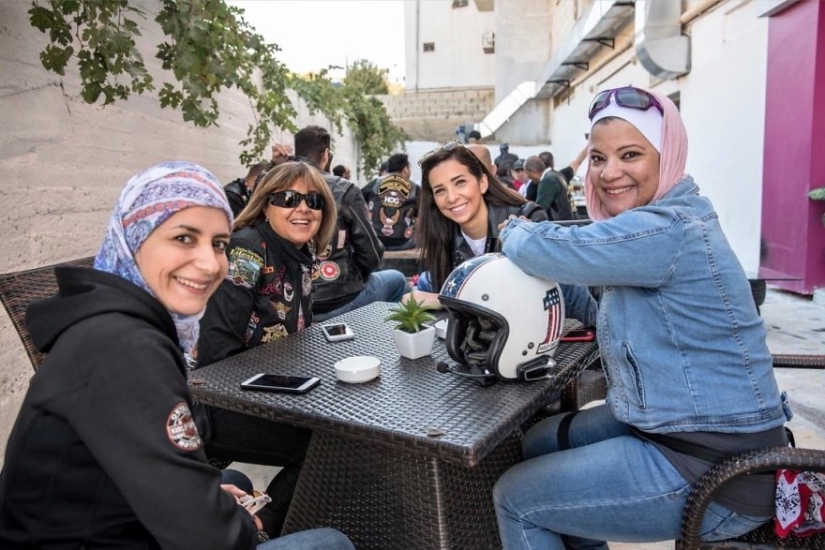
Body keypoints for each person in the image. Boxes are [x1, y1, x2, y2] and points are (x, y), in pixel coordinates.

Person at [0, 161, 354, 550]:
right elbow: (210, 537)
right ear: (134, 237)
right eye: (184, 238)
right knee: (333, 539)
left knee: (232, 483)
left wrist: (221, 505)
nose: (210, 263)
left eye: (219, 243)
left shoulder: (114, 327)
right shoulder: (128, 350)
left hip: (108, 515)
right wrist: (245, 527)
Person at [493, 87, 791, 548]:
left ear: (666, 155)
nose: (610, 173)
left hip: (713, 467)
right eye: (597, 158)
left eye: (630, 154)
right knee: (537, 441)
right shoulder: (663, 221)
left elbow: (546, 248)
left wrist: (510, 226)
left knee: (515, 496)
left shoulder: (666, 229)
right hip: (670, 424)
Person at [197, 161, 337, 536]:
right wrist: (287, 391)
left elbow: (293, 331)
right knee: (326, 442)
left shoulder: (298, 255)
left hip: (269, 390)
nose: (303, 208)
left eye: (313, 200)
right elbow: (216, 353)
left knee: (345, 423)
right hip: (217, 403)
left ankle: (306, 516)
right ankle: (264, 527)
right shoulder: (246, 252)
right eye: (288, 198)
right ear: (265, 205)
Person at [289, 125, 405, 322]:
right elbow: (371, 253)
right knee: (397, 279)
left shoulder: (274, 184)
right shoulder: (342, 190)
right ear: (326, 155)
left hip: (290, 298)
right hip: (335, 300)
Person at [411, 141, 546, 308]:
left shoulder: (527, 218)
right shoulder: (440, 234)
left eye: (460, 182)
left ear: (482, 182)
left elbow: (533, 299)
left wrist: (444, 300)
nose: (451, 197)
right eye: (440, 190)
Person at [366, 152, 420, 251]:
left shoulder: (375, 183)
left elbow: (358, 199)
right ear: (405, 169)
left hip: (375, 240)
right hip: (403, 242)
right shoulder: (415, 188)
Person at [535, 147, 588, 221]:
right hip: (574, 219)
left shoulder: (547, 181)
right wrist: (590, 144)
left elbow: (540, 209)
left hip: (561, 224)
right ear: (553, 163)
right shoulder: (561, 175)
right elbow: (577, 162)